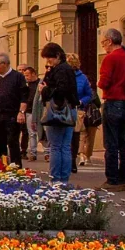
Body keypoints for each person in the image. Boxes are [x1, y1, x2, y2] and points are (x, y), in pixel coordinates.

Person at [38, 43, 80, 183]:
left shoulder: (60, 70)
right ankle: (64, 179)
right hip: (70, 110)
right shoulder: (68, 69)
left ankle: (55, 178)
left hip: (58, 112)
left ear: (57, 55)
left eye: (49, 58)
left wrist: (44, 90)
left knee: (56, 146)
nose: (47, 62)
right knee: (65, 146)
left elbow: (59, 91)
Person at [98, 28, 125, 191]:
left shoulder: (110, 58)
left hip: (112, 102)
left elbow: (104, 82)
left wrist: (99, 83)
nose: (103, 46)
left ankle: (112, 180)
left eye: (104, 43)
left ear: (110, 41)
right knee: (123, 142)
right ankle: (123, 178)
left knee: (111, 143)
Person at [0, 53, 29, 167]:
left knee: (12, 141)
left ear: (5, 64)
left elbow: (24, 96)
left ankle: (16, 166)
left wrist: (21, 112)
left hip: (12, 114)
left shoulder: (17, 77)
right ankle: (2, 165)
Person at [68, 53, 94, 172]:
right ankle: (65, 160)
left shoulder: (82, 78)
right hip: (61, 109)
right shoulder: (60, 76)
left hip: (77, 110)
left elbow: (89, 94)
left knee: (75, 136)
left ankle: (73, 160)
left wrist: (81, 101)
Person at [23, 66, 41, 161]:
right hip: (29, 111)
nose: (26, 77)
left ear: (33, 74)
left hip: (40, 111)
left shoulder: (40, 83)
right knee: (31, 133)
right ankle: (33, 153)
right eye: (25, 75)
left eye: (27, 75)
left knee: (43, 132)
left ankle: (47, 153)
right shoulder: (26, 85)